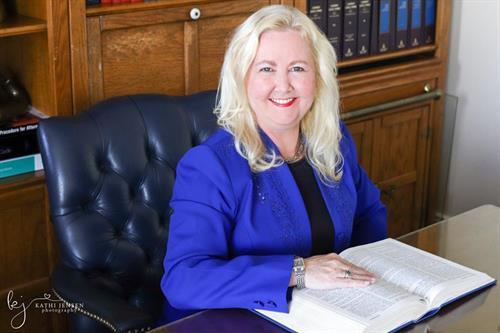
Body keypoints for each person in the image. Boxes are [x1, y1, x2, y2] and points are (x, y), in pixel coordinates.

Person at [161, 4, 387, 317]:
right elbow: (183, 280)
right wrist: (301, 271)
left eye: (298, 68)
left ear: (318, 78)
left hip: (331, 315)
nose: (283, 85)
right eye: (266, 68)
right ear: (242, 79)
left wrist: (375, 284)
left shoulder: (334, 142)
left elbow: (370, 215)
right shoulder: (209, 166)